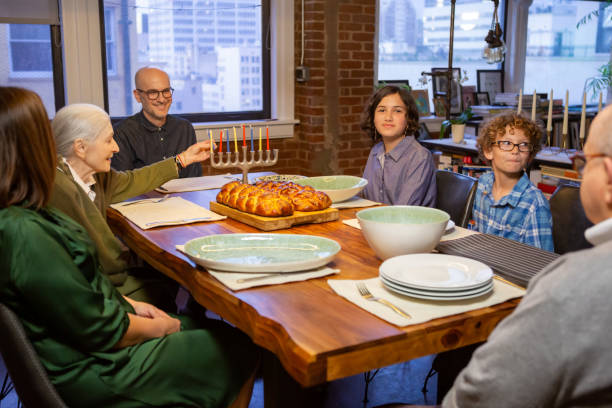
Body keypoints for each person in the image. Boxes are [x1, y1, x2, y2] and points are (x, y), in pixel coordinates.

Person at [0, 86, 258, 407]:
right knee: (240, 346)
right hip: (100, 368)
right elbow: (101, 327)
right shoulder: (26, 230)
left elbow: (79, 294)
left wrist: (128, 304)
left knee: (215, 331)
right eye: (42, 133)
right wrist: (163, 326)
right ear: (25, 146)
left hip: (94, 338)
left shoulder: (20, 216)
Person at [50, 102, 212, 310]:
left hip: (104, 284)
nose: (116, 147)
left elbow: (134, 180)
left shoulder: (95, 178)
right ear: (81, 148)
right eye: (108, 140)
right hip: (95, 297)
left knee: (171, 282)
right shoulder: (58, 190)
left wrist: (182, 159)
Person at [473, 113, 554, 251]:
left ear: (529, 155)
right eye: (506, 143)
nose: (515, 151)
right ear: (488, 151)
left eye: (523, 145)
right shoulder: (482, 184)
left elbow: (542, 265)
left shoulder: (535, 205)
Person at [111, 67, 202, 178]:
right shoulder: (121, 133)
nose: (162, 99)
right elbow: (123, 184)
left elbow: (194, 179)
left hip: (185, 195)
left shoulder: (185, 128)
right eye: (153, 93)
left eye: (166, 91)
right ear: (138, 96)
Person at [360, 85, 436, 206]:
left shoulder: (420, 157)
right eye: (382, 110)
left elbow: (403, 211)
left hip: (408, 224)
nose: (388, 117)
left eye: (397, 111)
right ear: (373, 117)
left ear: (408, 118)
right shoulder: (376, 151)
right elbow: (365, 199)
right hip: (376, 223)